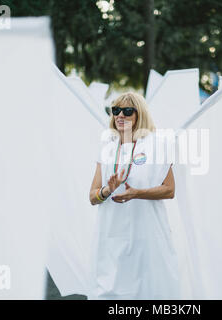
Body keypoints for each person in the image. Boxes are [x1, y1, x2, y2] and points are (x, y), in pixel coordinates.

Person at [88, 92, 180, 299]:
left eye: (128, 111)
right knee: (110, 289)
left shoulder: (156, 145)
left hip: (146, 234)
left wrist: (137, 193)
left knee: (147, 290)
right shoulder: (106, 149)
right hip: (111, 233)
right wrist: (107, 190)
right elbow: (92, 197)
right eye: (116, 110)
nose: (120, 115)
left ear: (140, 115)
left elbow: (169, 189)